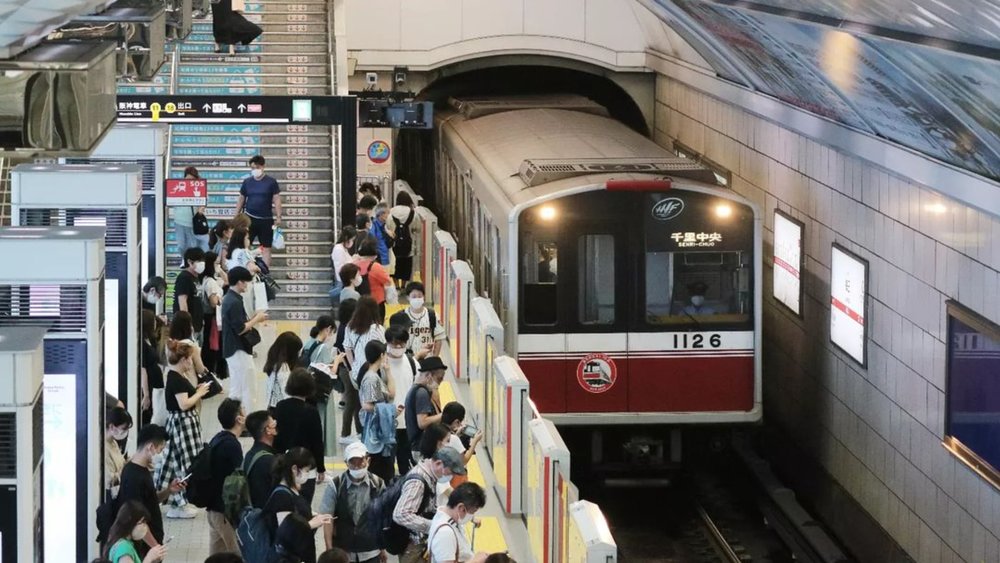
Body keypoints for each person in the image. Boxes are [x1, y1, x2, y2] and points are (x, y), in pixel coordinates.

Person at [158, 339, 212, 519]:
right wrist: (199, 393)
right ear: (183, 360)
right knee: (185, 463)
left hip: (182, 424)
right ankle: (180, 501)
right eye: (189, 359)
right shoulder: (176, 379)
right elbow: (183, 404)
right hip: (183, 424)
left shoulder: (176, 376)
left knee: (176, 461)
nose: (191, 362)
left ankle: (178, 501)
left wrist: (195, 390)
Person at [393, 447, 468, 563]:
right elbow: (400, 514)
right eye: (450, 472)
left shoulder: (429, 475)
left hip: (419, 544)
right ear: (438, 463)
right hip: (413, 547)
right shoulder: (418, 482)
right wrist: (432, 526)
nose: (451, 476)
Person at [118, 424, 186, 552]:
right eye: (160, 450)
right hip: (144, 547)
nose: (161, 454)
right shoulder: (133, 477)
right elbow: (137, 520)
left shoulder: (142, 469)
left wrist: (169, 490)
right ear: (150, 447)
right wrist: (155, 547)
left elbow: (150, 500)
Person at [319, 442, 386, 562]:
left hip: (371, 551)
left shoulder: (378, 484)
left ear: (368, 460)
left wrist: (382, 548)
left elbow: (381, 519)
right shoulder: (335, 485)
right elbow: (327, 519)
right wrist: (330, 550)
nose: (357, 466)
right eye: (352, 462)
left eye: (360, 461)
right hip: (344, 553)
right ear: (346, 463)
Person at [265, 448, 333, 563]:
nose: (308, 475)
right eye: (306, 470)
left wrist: (312, 515)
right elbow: (286, 532)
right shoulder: (282, 496)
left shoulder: (293, 490)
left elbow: (296, 514)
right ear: (295, 469)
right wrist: (310, 524)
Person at [273, 369, 326, 503]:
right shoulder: (311, 412)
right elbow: (317, 442)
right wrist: (321, 468)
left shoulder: (280, 407)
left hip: (284, 462)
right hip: (305, 465)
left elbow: (276, 436)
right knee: (304, 505)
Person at [222, 266, 268, 411]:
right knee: (248, 386)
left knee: (237, 387)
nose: (247, 285)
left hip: (232, 348)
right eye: (245, 282)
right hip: (238, 349)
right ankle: (248, 418)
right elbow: (241, 329)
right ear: (239, 282)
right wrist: (257, 318)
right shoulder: (234, 302)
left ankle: (234, 417)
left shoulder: (229, 299)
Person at [205, 398, 246, 554]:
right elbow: (239, 481)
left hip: (213, 511)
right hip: (224, 514)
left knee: (217, 556)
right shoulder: (232, 446)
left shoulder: (218, 438)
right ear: (239, 419)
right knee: (238, 555)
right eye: (243, 410)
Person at [342, 296, 385, 441]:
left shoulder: (349, 327)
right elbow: (384, 350)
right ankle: (370, 434)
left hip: (356, 374)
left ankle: (361, 432)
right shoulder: (377, 329)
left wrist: (354, 366)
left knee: (359, 403)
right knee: (373, 404)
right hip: (372, 372)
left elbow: (347, 348)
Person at [358, 340, 401, 482]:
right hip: (375, 436)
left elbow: (392, 393)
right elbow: (367, 405)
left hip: (381, 432)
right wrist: (390, 410)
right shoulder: (371, 378)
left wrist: (388, 370)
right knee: (381, 474)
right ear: (382, 355)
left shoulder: (377, 375)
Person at [236, 155, 282, 267]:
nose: (254, 170)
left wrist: (279, 216)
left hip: (266, 220)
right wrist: (236, 215)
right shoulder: (247, 182)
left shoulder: (271, 182)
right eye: (252, 168)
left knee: (266, 247)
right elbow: (241, 198)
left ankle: (265, 272)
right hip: (249, 219)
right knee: (245, 245)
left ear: (263, 166)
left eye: (257, 167)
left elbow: (276, 199)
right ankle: (246, 268)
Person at [427, 483, 489, 563]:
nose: (472, 515)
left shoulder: (449, 517)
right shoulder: (445, 534)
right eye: (473, 512)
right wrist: (476, 561)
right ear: (461, 508)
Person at [385, 325, 417, 474]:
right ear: (387, 343)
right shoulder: (381, 364)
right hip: (387, 422)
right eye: (394, 344)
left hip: (407, 422)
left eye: (401, 344)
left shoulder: (412, 363)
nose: (398, 347)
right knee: (387, 463)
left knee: (405, 461)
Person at [404, 357, 447, 459]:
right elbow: (422, 423)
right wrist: (444, 415)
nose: (440, 382)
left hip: (418, 446)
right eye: (439, 379)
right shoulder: (422, 393)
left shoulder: (415, 389)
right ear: (429, 376)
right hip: (421, 448)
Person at [390, 282, 445, 359]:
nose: (417, 299)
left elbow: (438, 339)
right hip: (407, 359)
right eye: (414, 296)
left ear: (424, 297)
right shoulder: (401, 316)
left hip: (427, 358)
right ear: (408, 298)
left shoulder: (432, 315)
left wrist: (434, 358)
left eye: (420, 296)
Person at [103, 501, 167, 563]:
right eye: (142, 522)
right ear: (130, 522)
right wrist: (149, 558)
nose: (145, 527)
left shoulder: (123, 542)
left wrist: (153, 560)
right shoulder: (123, 549)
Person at [173, 167, 209, 266]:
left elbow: (204, 201)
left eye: (192, 180)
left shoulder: (200, 187)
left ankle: (190, 262)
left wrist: (200, 212)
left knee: (192, 245)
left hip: (191, 221)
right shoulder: (178, 187)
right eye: (187, 179)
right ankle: (184, 258)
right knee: (181, 245)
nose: (189, 182)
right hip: (179, 221)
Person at [244, 410, 278, 509]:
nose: (276, 426)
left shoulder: (250, 454)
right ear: (268, 430)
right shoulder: (269, 460)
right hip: (265, 515)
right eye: (273, 423)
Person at [201, 251, 228, 378]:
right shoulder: (210, 282)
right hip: (212, 318)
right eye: (216, 263)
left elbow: (227, 281)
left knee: (213, 345)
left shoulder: (210, 280)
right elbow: (213, 302)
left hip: (212, 317)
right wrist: (220, 298)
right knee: (213, 346)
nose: (219, 265)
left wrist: (220, 270)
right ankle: (213, 373)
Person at [174, 247, 207, 340]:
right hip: (189, 328)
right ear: (189, 262)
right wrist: (188, 325)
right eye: (199, 260)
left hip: (198, 325)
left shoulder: (196, 277)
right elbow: (182, 302)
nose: (202, 263)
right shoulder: (184, 277)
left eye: (203, 260)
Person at [354, 239, 391, 321]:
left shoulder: (354, 264)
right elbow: (388, 281)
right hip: (376, 303)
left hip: (359, 302)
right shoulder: (376, 267)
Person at [264, 331, 303, 408]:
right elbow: (286, 392)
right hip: (282, 408)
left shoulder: (274, 363)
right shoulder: (283, 368)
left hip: (272, 405)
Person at [140, 310, 166, 426]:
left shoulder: (149, 339)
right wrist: (146, 394)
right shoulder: (142, 344)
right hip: (150, 383)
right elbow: (143, 370)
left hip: (156, 382)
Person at [388, 191, 417, 286]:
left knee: (395, 264)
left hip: (394, 244)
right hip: (408, 244)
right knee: (406, 265)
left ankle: (396, 286)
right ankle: (403, 286)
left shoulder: (391, 212)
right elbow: (417, 228)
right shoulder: (413, 213)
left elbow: (388, 226)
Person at [105, 407, 133, 497]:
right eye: (123, 429)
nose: (126, 432)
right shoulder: (102, 448)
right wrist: (124, 470)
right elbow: (109, 481)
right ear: (112, 427)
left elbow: (120, 465)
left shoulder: (113, 442)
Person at [330, 226, 357, 303]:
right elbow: (340, 268)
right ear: (346, 238)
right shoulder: (339, 249)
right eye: (352, 240)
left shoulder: (343, 249)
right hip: (343, 283)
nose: (352, 242)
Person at [370, 202, 393, 267]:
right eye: (387, 213)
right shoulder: (373, 226)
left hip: (385, 259)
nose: (389, 215)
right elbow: (372, 242)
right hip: (378, 261)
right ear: (381, 214)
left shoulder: (384, 226)